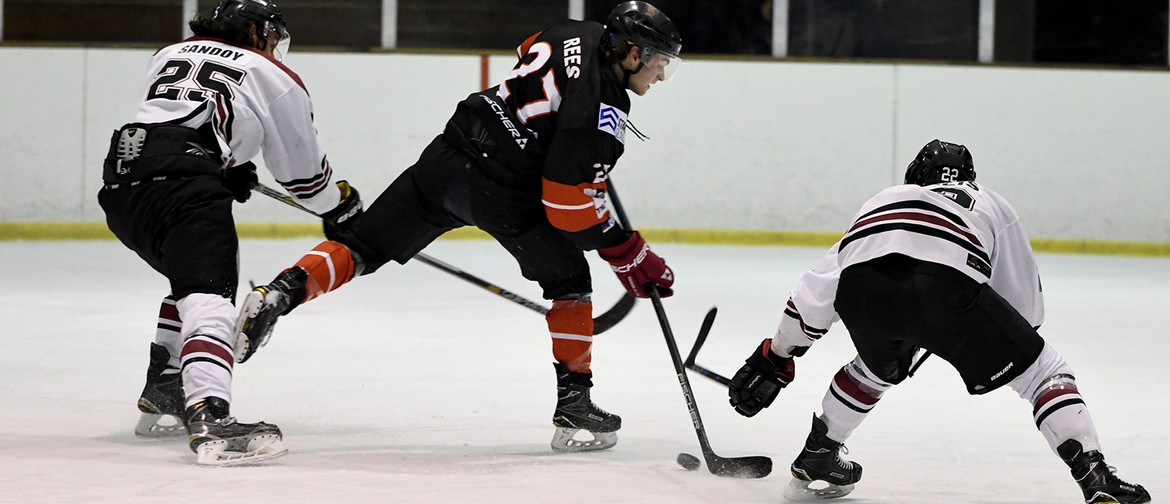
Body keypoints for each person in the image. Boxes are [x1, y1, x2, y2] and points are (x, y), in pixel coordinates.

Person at [234, 1, 681, 453]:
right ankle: (575, 405)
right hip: (506, 193)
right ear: (630, 54)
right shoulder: (602, 110)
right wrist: (626, 250)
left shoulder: (575, 30)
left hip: (449, 155)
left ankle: (281, 292)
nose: (662, 76)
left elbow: (527, 50)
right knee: (570, 281)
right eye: (661, 63)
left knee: (364, 242)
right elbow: (566, 206)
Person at [726, 140, 1151, 503]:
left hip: (864, 289)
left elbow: (820, 288)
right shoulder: (988, 200)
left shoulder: (884, 200)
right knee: (1044, 372)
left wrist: (777, 355)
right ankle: (1094, 477)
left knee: (876, 367)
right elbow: (1023, 304)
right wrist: (1002, 341)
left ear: (914, 178)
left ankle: (818, 454)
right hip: (947, 284)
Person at [98, 0, 361, 465]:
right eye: (274, 36)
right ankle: (210, 415)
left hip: (123, 180)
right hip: (183, 184)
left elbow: (178, 118)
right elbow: (304, 179)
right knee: (210, 296)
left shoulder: (169, 52)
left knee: (187, 281)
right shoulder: (274, 76)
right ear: (259, 31)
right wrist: (340, 203)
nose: (276, 47)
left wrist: (228, 165)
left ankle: (165, 387)